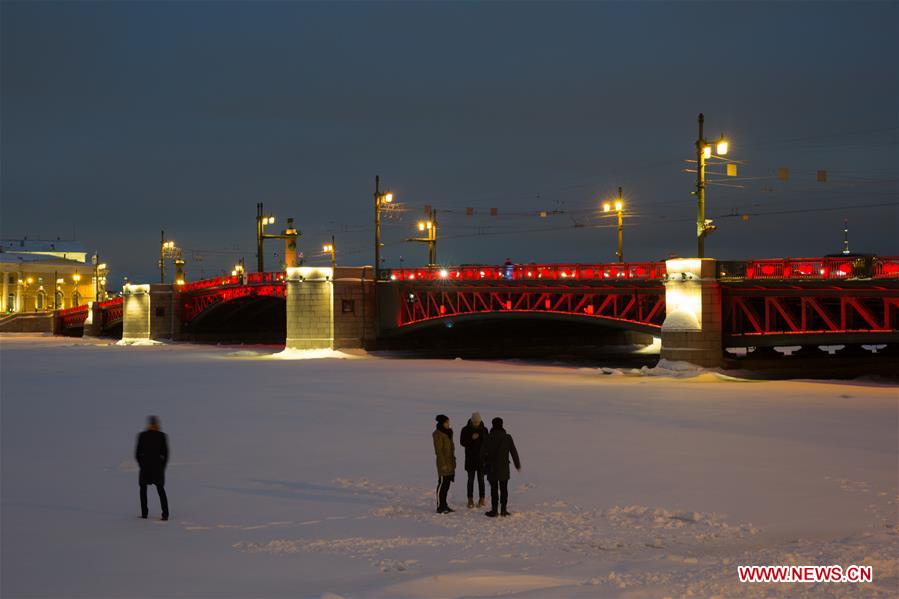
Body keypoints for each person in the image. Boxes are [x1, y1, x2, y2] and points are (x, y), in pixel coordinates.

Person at [481, 416, 521, 518]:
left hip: (492, 468)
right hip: (504, 468)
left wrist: (484, 462)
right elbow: (513, 452)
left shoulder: (488, 437)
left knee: (494, 489)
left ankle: (494, 510)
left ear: (493, 425)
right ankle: (503, 510)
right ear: (502, 425)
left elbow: (481, 453)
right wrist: (517, 464)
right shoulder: (507, 437)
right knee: (504, 488)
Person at [135, 415, 170, 521]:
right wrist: (162, 466)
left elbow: (137, 454)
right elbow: (166, 454)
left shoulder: (142, 436)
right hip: (157, 468)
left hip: (145, 467)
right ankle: (165, 514)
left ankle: (144, 514)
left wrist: (141, 464)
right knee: (160, 489)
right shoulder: (162, 436)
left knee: (143, 489)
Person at [459, 412, 488, 508]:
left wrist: (486, 458)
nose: (476, 423)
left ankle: (482, 499)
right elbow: (462, 442)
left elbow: (487, 445)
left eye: (478, 422)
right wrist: (471, 439)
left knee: (481, 480)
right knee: (470, 480)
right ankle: (470, 499)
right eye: (475, 422)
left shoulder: (484, 430)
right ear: (471, 421)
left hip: (481, 460)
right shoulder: (465, 430)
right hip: (470, 459)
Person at [432, 414, 456, 514]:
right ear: (442, 423)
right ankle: (440, 506)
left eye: (448, 422)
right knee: (442, 484)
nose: (448, 424)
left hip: (450, 463)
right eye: (446, 422)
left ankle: (444, 504)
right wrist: (443, 464)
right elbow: (439, 451)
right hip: (444, 464)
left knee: (447, 484)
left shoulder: (448, 433)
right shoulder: (437, 434)